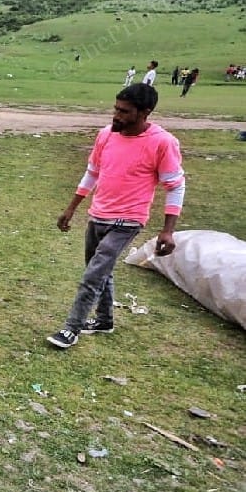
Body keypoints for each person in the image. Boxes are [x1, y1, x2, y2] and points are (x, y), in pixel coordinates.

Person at [47, 83, 185, 349]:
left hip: (128, 220)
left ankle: (71, 328)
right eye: (116, 109)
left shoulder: (162, 143)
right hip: (98, 215)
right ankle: (104, 320)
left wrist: (168, 230)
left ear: (145, 112)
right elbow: (92, 172)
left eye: (125, 111)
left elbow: (175, 185)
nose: (117, 116)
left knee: (93, 276)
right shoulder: (106, 135)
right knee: (99, 271)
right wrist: (72, 207)